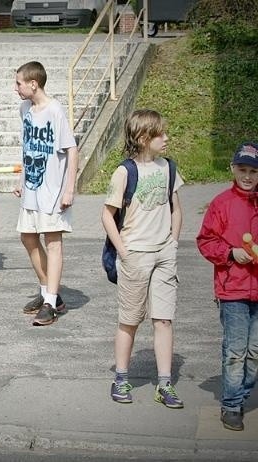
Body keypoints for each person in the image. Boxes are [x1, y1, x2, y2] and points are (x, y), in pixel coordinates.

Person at [102, 109, 184, 408]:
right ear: (142, 137)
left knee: (164, 319)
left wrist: (172, 242)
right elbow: (107, 215)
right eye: (160, 134)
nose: (166, 138)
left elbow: (175, 208)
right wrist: (123, 251)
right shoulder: (125, 172)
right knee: (130, 320)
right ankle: (121, 378)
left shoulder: (168, 168)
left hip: (164, 254)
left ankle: (165, 385)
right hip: (135, 254)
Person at [196, 142, 258, 431]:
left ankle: (242, 393)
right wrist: (231, 253)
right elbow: (206, 241)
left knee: (255, 351)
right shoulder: (222, 203)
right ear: (233, 169)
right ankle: (232, 405)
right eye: (242, 169)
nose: (247, 176)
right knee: (235, 350)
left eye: (253, 171)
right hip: (232, 289)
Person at [13, 61, 78, 327]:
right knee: (27, 237)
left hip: (53, 189)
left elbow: (72, 150)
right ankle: (47, 291)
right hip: (32, 187)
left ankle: (51, 302)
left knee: (53, 242)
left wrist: (69, 188)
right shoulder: (25, 109)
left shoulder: (55, 110)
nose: (15, 88)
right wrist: (21, 178)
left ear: (33, 84)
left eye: (18, 83)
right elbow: (27, 146)